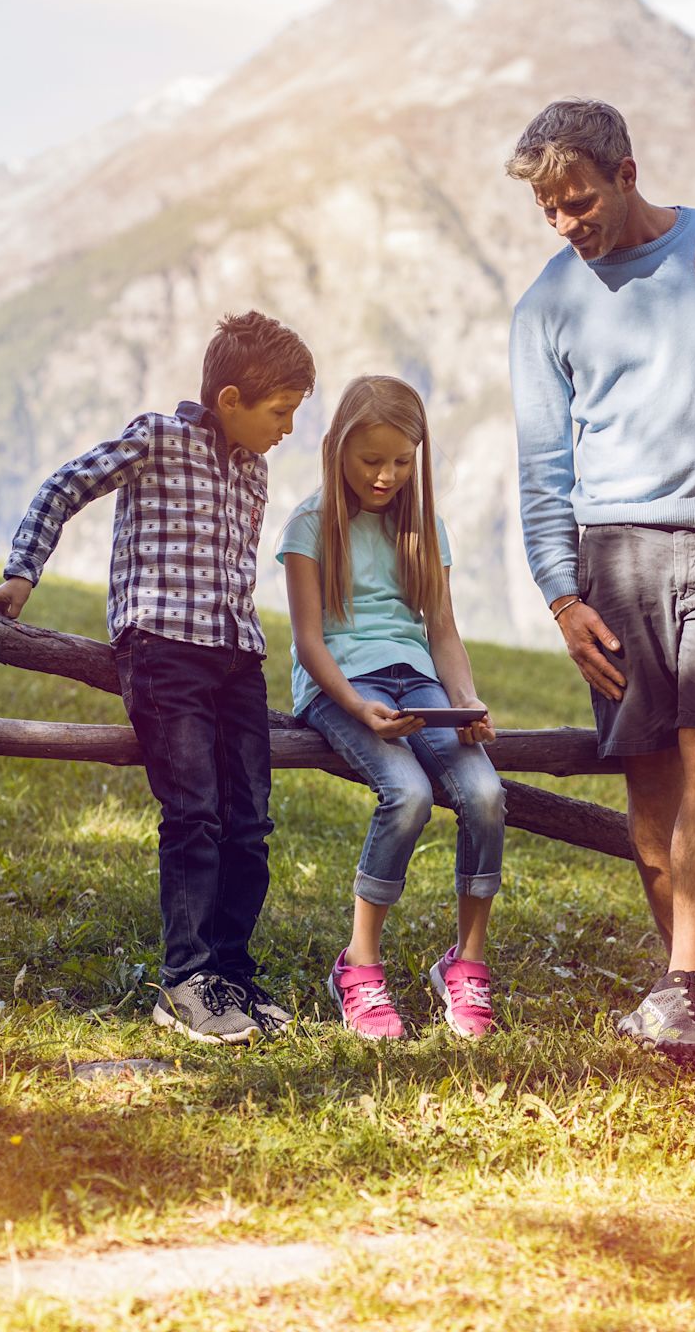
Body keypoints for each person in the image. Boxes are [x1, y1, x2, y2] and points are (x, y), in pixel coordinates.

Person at [505, 99, 695, 1068]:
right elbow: (543, 465)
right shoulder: (546, 305)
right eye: (549, 212)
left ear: (627, 173)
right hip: (612, 556)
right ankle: (689, 977)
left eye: (579, 202)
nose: (567, 225)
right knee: (650, 779)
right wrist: (560, 593)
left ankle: (682, 983)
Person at [0, 310, 315, 1046]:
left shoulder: (253, 467)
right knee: (194, 814)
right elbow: (66, 486)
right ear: (230, 399)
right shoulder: (157, 437)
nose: (287, 429)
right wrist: (21, 575)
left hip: (236, 657)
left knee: (249, 823)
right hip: (162, 650)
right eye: (280, 413)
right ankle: (185, 983)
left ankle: (231, 976)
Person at [279, 375, 506, 1041]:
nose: (386, 476)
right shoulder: (309, 526)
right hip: (342, 686)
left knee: (486, 794)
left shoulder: (424, 527)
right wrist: (355, 703)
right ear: (339, 450)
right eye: (371, 460)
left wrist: (464, 702)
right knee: (405, 793)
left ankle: (466, 963)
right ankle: (359, 966)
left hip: (420, 687)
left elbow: (441, 632)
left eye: (402, 463)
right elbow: (308, 641)